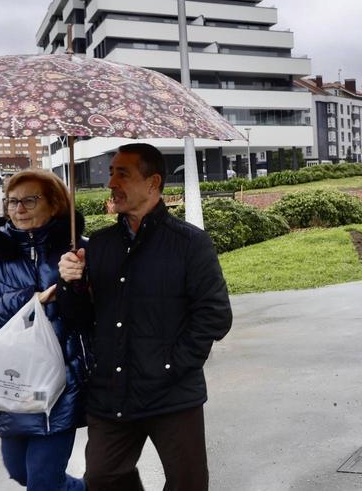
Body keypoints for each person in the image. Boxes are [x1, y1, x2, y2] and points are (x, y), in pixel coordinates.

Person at [58, 143, 232, 491]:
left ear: (153, 183)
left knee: (188, 484)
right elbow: (79, 319)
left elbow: (215, 315)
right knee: (103, 478)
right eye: (111, 173)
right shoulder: (99, 245)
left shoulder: (190, 244)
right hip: (112, 392)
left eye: (122, 174)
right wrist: (71, 283)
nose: (111, 183)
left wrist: (171, 365)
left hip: (171, 393)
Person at [0, 169, 88, 491]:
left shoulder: (78, 251)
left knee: (42, 482)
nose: (18, 209)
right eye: (12, 201)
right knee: (20, 472)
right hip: (13, 384)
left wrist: (79, 283)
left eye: (29, 200)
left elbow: (99, 311)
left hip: (60, 385)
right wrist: (30, 301)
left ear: (54, 204)